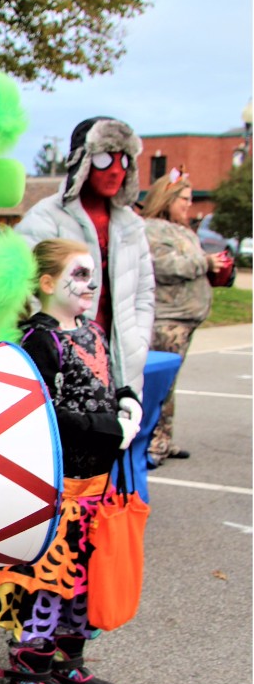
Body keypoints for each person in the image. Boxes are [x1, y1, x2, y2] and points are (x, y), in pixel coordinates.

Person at [0, 238, 142, 684]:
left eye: (93, 274)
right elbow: (42, 410)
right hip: (60, 488)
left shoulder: (93, 331)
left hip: (97, 486)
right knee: (46, 582)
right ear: (48, 283)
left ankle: (68, 659)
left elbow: (109, 381)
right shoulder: (41, 341)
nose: (91, 285)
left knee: (82, 581)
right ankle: (29, 665)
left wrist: (127, 400)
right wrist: (107, 428)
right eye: (79, 274)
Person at [16, 116, 154, 396]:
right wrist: (52, 340)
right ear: (83, 161)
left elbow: (145, 292)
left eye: (124, 160)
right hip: (65, 370)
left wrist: (138, 342)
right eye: (105, 159)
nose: (116, 171)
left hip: (123, 365)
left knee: (121, 435)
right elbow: (23, 287)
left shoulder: (132, 226)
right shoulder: (45, 218)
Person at [141, 168, 221, 463]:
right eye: (184, 199)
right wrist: (204, 262)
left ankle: (164, 438)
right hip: (167, 319)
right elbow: (163, 265)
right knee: (161, 385)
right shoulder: (151, 229)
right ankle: (152, 443)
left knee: (169, 384)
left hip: (186, 319)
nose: (189, 204)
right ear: (167, 198)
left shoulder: (182, 230)